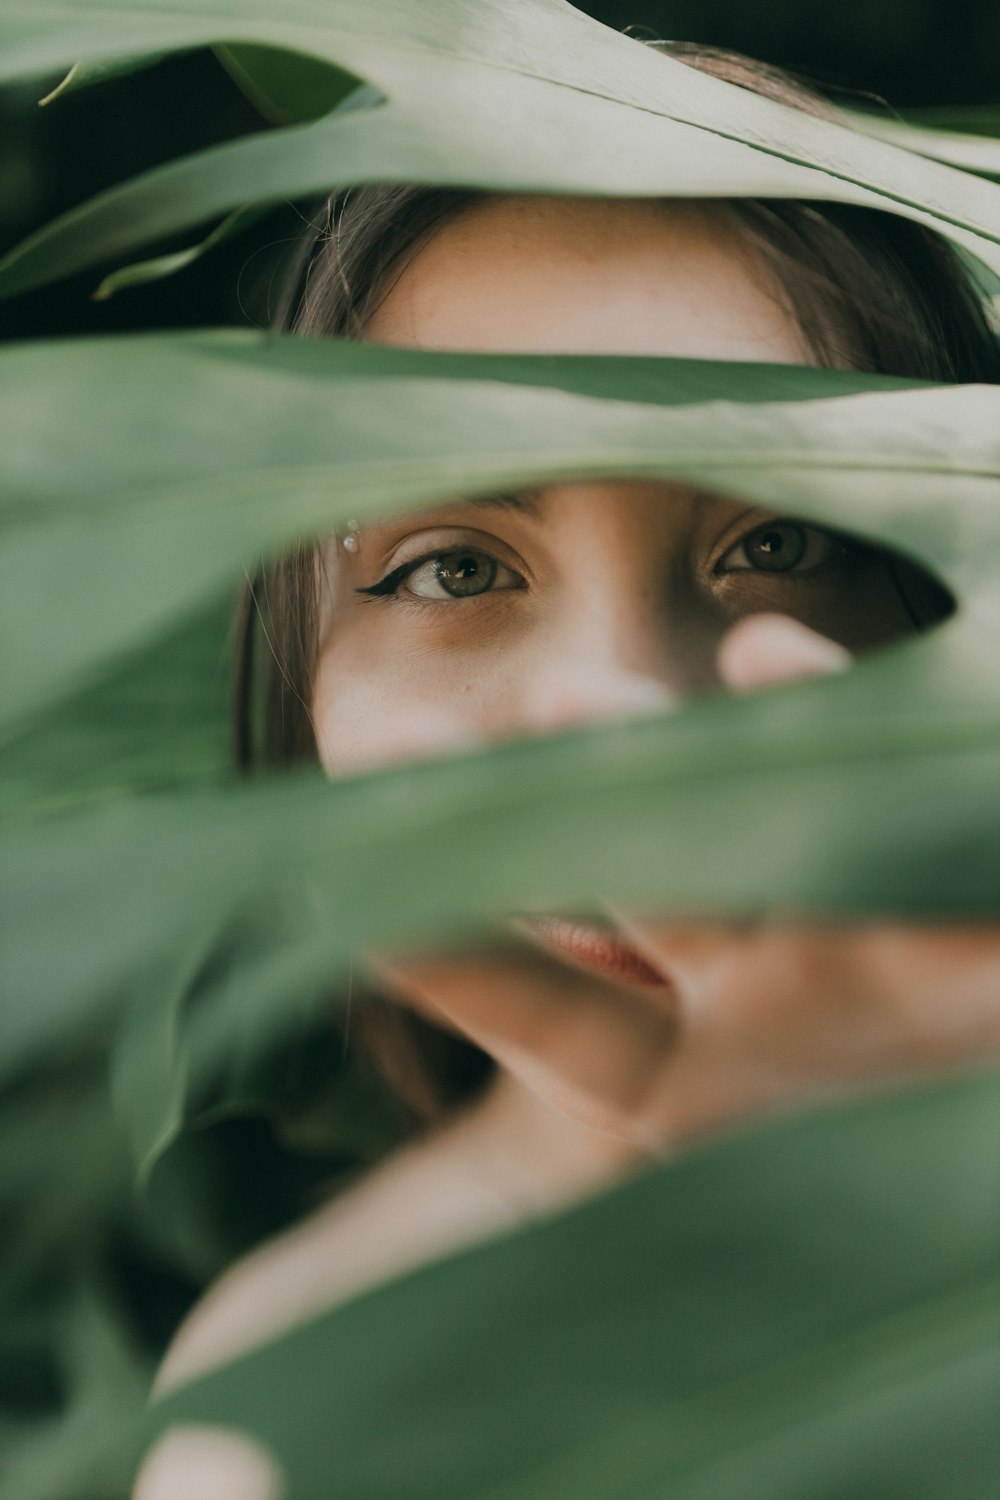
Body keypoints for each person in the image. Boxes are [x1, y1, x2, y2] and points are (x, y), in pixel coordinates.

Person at [135, 40, 1000, 1500]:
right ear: (294, 676)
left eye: (779, 543)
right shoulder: (289, 1415)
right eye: (454, 564)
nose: (624, 716)